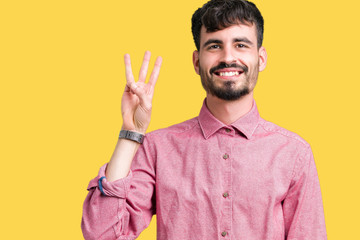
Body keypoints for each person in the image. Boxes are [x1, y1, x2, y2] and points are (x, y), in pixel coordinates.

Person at [81, 0, 327, 239]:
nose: (227, 57)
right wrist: (131, 134)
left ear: (261, 58)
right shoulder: (158, 148)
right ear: (197, 62)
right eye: (214, 46)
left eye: (241, 45)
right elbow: (101, 235)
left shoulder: (294, 153)